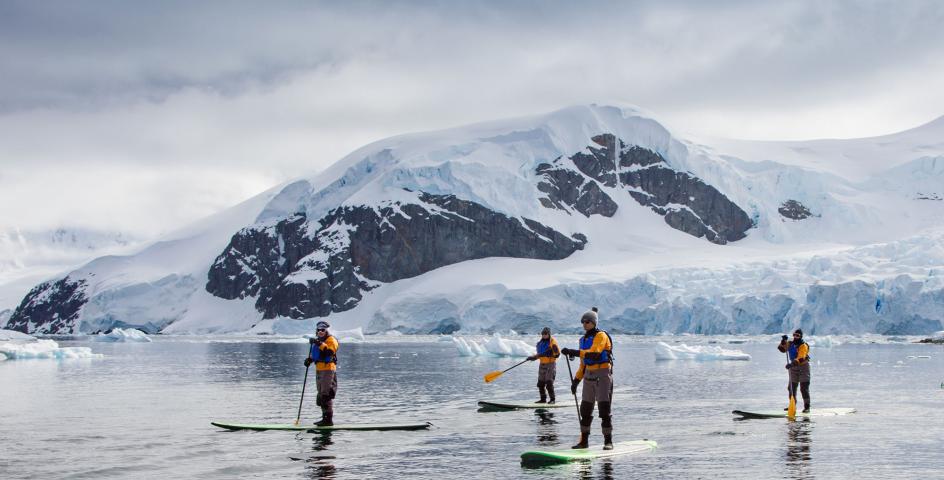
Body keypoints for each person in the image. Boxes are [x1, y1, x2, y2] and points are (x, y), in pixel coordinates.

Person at [561, 307, 615, 450]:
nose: (584, 324)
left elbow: (594, 354)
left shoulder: (601, 336)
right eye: (583, 322)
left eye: (587, 322)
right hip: (588, 377)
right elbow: (583, 364)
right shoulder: (583, 340)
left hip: (602, 375)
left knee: (604, 410)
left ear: (594, 323)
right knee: (585, 410)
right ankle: (584, 442)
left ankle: (608, 442)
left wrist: (573, 352)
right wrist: (576, 381)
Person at [304, 321, 340, 426]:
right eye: (318, 330)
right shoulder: (318, 341)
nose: (320, 332)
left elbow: (329, 352)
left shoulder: (331, 340)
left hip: (328, 369)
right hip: (319, 369)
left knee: (326, 395)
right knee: (320, 396)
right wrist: (309, 360)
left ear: (326, 331)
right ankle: (324, 418)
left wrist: (319, 343)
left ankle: (328, 420)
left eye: (323, 330)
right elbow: (315, 354)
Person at [778, 328, 811, 413]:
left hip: (803, 367)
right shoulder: (790, 344)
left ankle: (807, 407)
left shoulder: (804, 346)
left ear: (800, 336)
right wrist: (783, 341)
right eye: (794, 335)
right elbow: (782, 349)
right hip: (793, 368)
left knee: (804, 388)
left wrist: (791, 364)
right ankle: (792, 406)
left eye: (797, 335)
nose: (795, 337)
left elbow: (801, 358)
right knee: (791, 388)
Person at [527, 327, 560, 404]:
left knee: (549, 382)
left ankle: (552, 399)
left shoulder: (553, 342)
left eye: (546, 334)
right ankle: (543, 399)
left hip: (550, 364)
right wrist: (533, 358)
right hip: (542, 365)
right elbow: (540, 354)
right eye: (543, 334)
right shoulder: (540, 343)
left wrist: (553, 353)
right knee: (540, 383)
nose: (544, 335)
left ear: (549, 334)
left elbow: (557, 354)